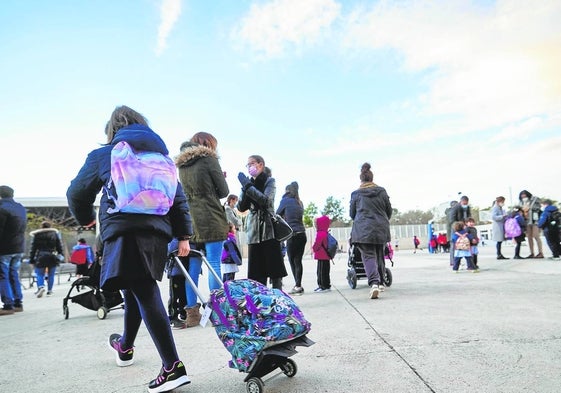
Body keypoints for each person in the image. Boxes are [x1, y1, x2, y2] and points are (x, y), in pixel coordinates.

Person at [66, 105, 193, 392]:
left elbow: (76, 193)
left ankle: (173, 367)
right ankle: (125, 347)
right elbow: (178, 199)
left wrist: (85, 217)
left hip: (123, 231)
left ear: (113, 128)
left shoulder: (106, 154)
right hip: (157, 233)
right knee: (135, 288)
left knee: (144, 290)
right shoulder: (161, 158)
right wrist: (183, 235)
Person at [175, 132, 230, 326]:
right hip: (210, 216)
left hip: (190, 220)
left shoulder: (181, 164)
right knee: (214, 263)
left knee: (193, 268)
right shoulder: (209, 159)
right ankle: (216, 311)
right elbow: (224, 191)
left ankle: (192, 315)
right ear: (208, 144)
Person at [236, 155, 287, 289]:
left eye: (252, 163)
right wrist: (244, 188)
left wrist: (248, 186)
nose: (250, 167)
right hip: (253, 232)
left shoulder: (270, 181)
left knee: (275, 271)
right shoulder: (248, 184)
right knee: (256, 274)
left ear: (261, 164)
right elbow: (241, 207)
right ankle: (259, 303)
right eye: (248, 165)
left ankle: (278, 299)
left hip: (269, 231)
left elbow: (265, 201)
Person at [349, 162, 392, 299]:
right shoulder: (382, 191)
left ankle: (374, 282)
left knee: (368, 256)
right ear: (372, 178)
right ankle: (380, 283)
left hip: (363, 229)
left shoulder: (356, 194)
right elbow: (388, 210)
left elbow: (352, 214)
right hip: (381, 227)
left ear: (361, 179)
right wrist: (383, 219)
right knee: (379, 253)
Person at [0, 185, 27, 315]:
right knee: (13, 274)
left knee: (2, 276)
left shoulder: (2, 209)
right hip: (18, 247)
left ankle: (8, 305)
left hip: (4, 249)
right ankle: (18, 303)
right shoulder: (20, 208)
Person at [276, 181, 307, 295]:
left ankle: (298, 286)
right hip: (302, 234)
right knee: (298, 261)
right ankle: (298, 285)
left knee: (292, 261)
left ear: (287, 191)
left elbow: (277, 214)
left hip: (292, 235)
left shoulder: (285, 200)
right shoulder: (299, 202)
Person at [29, 221, 64, 297]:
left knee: (39, 274)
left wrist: (31, 259)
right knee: (51, 274)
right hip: (52, 256)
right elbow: (59, 246)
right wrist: (61, 254)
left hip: (41, 256)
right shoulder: (55, 234)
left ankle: (41, 286)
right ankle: (50, 291)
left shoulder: (37, 235)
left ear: (42, 227)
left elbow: (33, 248)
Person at [519, 190, 544, 258]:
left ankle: (540, 252)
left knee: (536, 236)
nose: (524, 197)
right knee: (529, 238)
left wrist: (529, 208)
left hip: (534, 221)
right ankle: (532, 253)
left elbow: (538, 207)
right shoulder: (521, 202)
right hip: (527, 222)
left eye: (525, 196)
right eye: (522, 196)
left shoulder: (534, 199)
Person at [312, 215, 332, 293]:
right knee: (326, 271)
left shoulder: (320, 233)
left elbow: (317, 244)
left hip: (321, 256)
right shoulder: (326, 233)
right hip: (326, 256)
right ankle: (327, 285)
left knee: (320, 272)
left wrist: (313, 248)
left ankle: (322, 286)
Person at [448, 196, 471, 265]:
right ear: (461, 201)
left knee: (466, 245)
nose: (465, 205)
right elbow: (452, 220)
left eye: (466, 203)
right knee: (454, 245)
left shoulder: (467, 208)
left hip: (465, 228)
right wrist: (459, 226)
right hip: (456, 229)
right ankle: (453, 262)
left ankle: (469, 263)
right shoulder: (455, 208)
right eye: (464, 203)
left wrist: (468, 223)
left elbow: (469, 217)